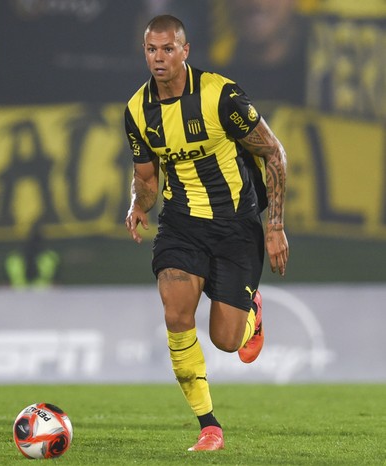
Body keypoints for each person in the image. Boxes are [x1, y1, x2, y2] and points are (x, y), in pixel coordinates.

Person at [123, 15, 288, 451]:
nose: (159, 58)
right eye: (151, 50)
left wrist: (274, 226)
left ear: (185, 50)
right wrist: (138, 205)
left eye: (167, 49)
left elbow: (274, 153)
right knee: (177, 314)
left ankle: (250, 311)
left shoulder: (220, 95)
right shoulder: (138, 110)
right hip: (180, 225)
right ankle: (208, 425)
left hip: (236, 225)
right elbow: (146, 175)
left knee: (226, 341)